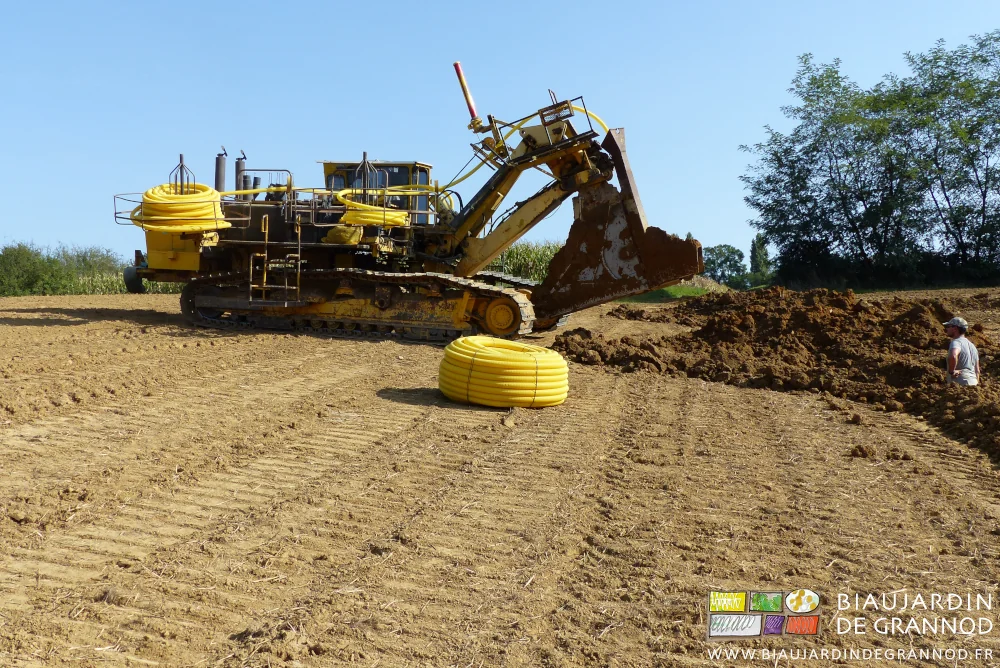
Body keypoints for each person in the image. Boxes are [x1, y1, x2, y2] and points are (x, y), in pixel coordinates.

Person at [943, 317, 980, 386]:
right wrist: (976, 387)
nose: (946, 329)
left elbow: (953, 355)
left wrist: (952, 371)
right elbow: (977, 370)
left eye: (948, 326)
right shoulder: (973, 346)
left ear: (955, 328)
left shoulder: (956, 342)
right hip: (973, 382)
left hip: (961, 382)